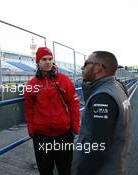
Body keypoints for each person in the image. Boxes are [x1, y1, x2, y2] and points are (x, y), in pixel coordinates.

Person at [73, 51, 131, 175]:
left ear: (98, 67)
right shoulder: (118, 87)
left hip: (103, 169)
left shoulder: (103, 97)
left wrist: (83, 172)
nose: (83, 68)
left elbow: (99, 147)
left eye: (86, 64)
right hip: (116, 163)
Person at [24, 47, 80, 175]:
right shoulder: (31, 84)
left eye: (50, 59)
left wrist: (75, 128)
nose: (48, 62)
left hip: (64, 135)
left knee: (65, 170)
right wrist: (32, 130)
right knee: (45, 171)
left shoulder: (64, 80)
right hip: (41, 136)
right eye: (44, 59)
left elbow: (74, 104)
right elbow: (28, 110)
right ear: (38, 62)